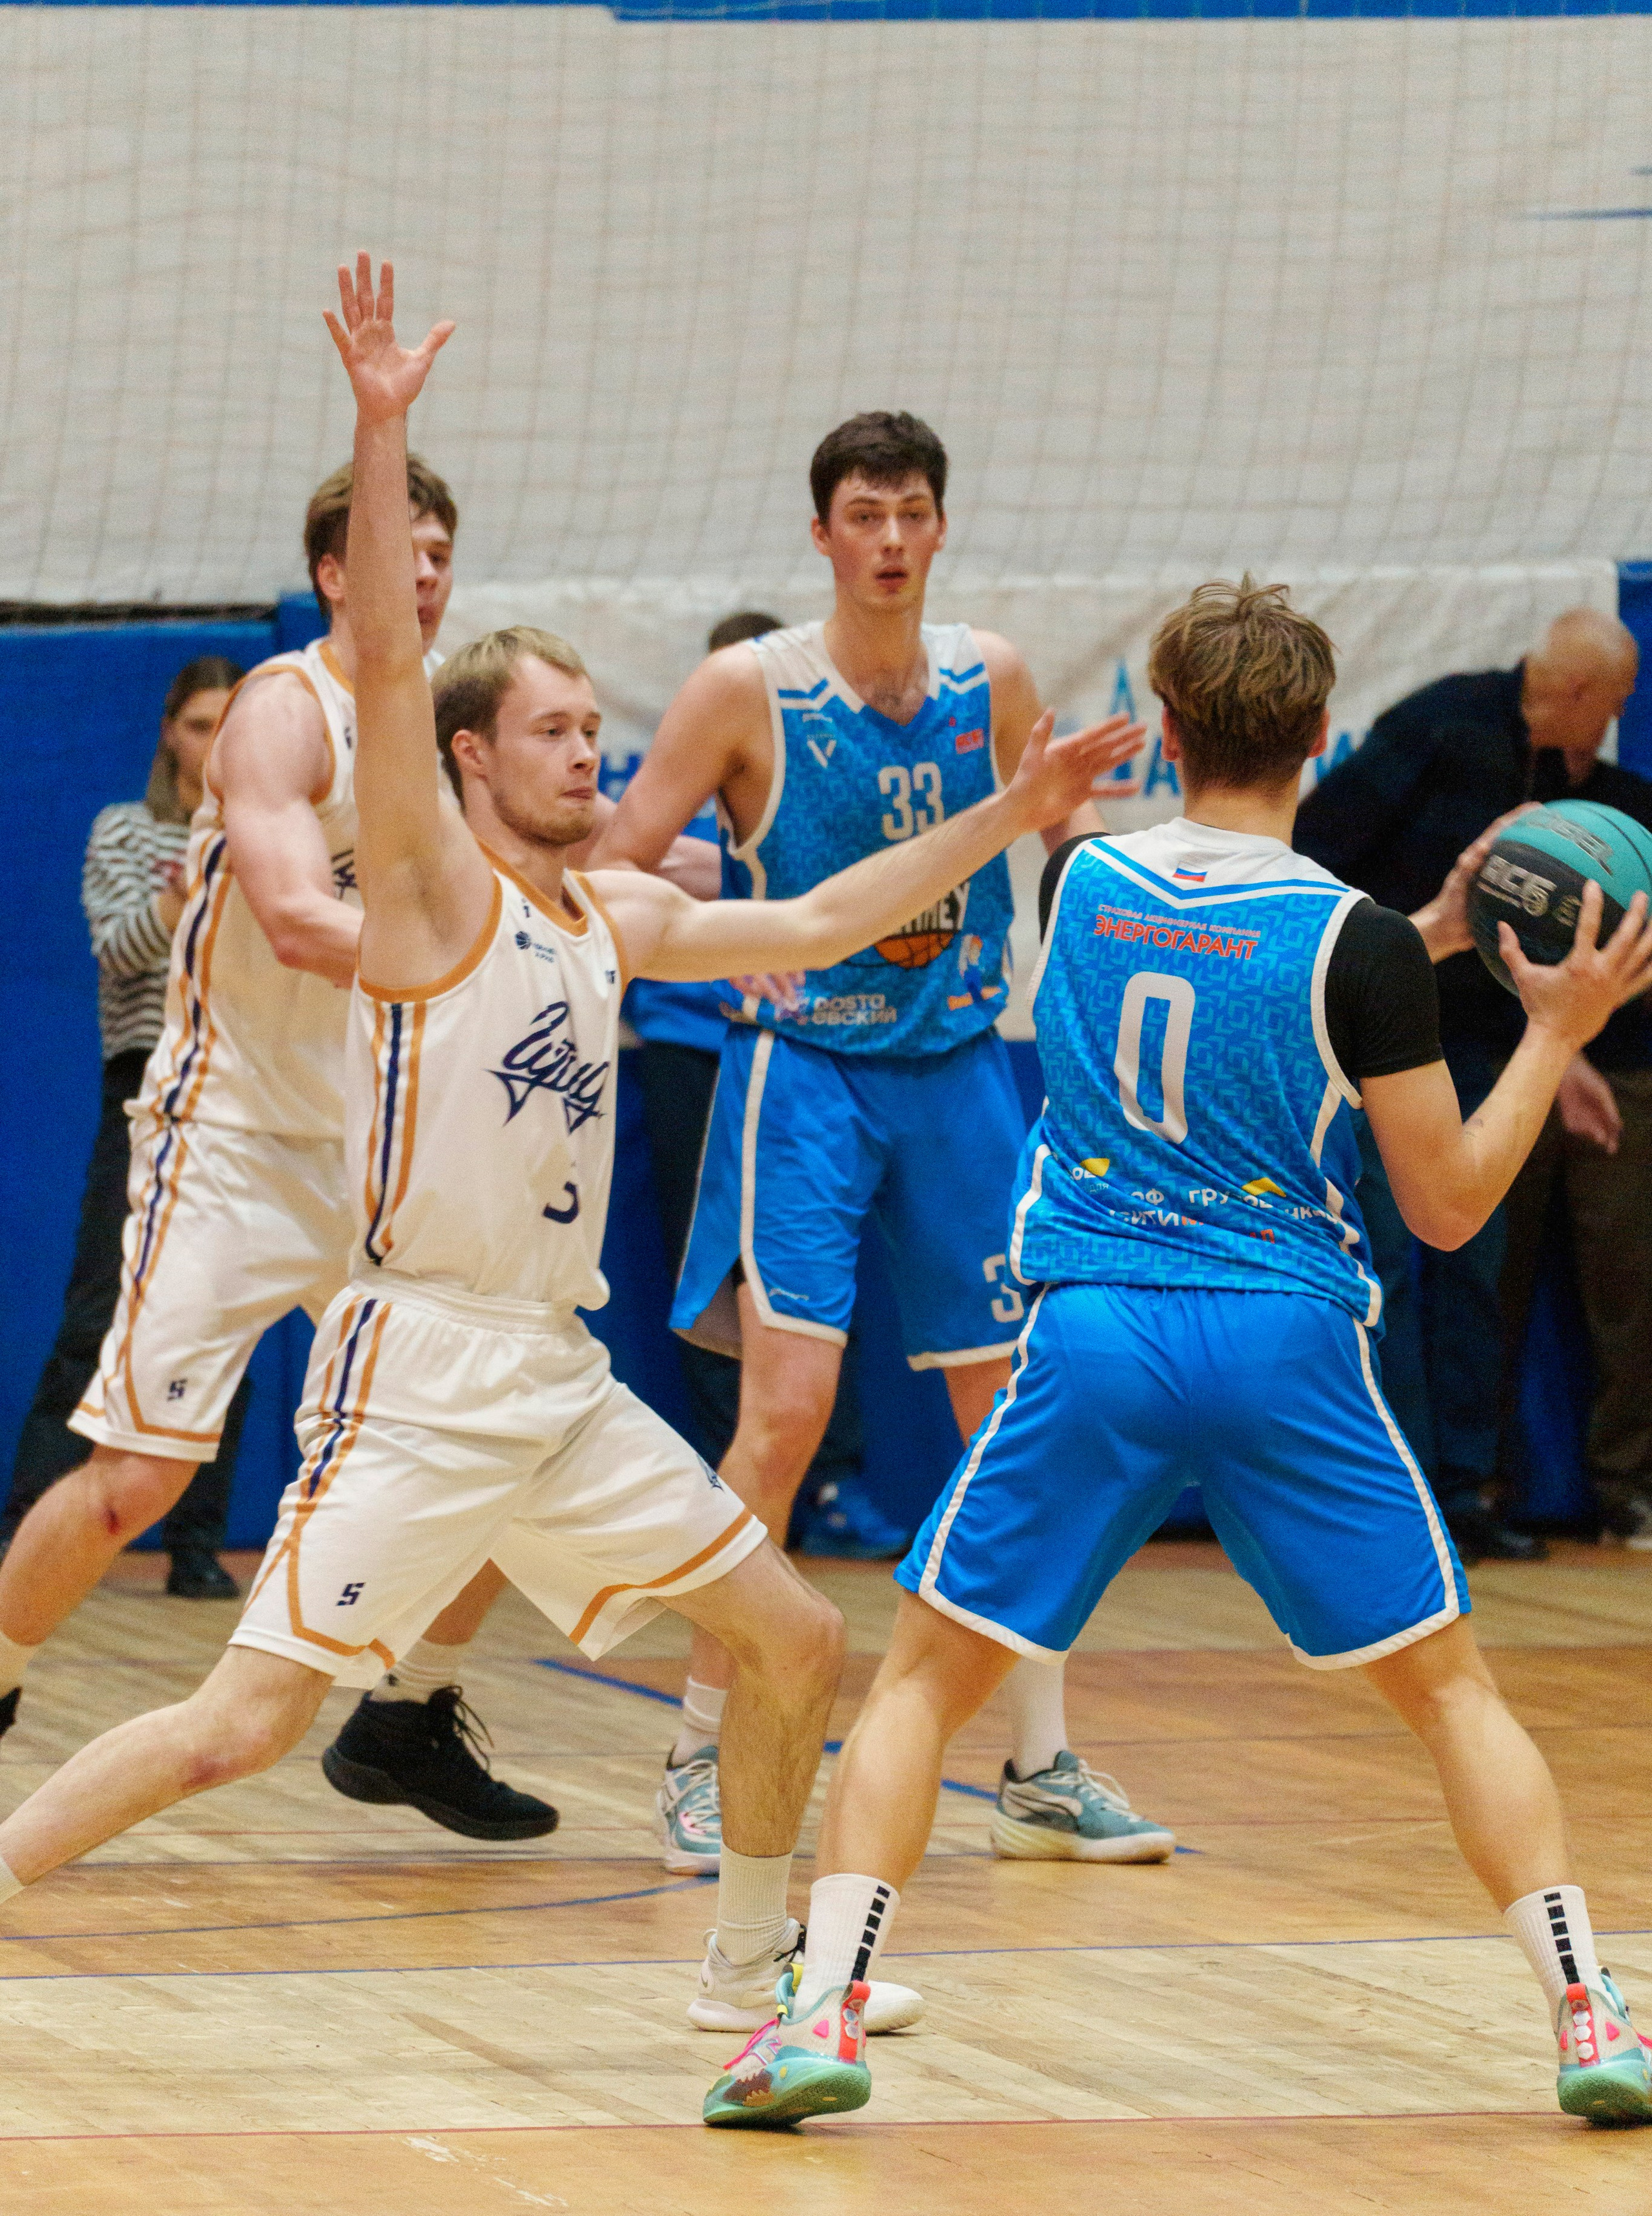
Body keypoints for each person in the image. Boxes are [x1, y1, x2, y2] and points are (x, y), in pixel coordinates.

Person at [0, 255, 1140, 2061]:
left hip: (556, 1371)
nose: (591, 747)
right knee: (239, 1730)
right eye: (554, 728)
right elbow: (379, 650)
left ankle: (749, 1980)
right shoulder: (433, 889)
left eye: (596, 726)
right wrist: (383, 434)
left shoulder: (612, 913)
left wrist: (1013, 813)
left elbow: (835, 913)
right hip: (418, 1372)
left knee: (789, 1644)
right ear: (465, 759)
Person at [705, 578, 1652, 2132]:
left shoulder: (1076, 877)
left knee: (924, 1682)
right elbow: (1446, 1196)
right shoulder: (1358, 948)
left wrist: (1421, 942)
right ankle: (1586, 2010)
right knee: (1452, 1693)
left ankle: (817, 2008)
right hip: (1282, 1340)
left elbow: (1212, 957)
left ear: (1161, 727)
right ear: (1323, 735)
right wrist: (1548, 1028)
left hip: (1094, 1330)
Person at [595, 412, 1171, 1877]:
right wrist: (725, 943)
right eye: (865, 513)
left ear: (936, 524)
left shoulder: (995, 676)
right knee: (782, 1418)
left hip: (961, 1067)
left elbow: (1062, 844)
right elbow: (609, 865)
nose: (892, 537)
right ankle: (696, 1756)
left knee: (1014, 1421)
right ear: (821, 536)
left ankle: (1036, 1759)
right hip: (803, 1076)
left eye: (913, 509)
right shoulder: (747, 687)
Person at [0, 452, 547, 1848]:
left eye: (438, 551)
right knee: (138, 1481)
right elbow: (305, 921)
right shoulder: (283, 713)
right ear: (331, 571)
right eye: (393, 548)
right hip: (231, 1140)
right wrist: (493, 964)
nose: (420, 573)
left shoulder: (442, 733)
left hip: (374, 1148)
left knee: (496, 1434)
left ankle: (403, 1717)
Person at [1293, 609, 1642, 1561]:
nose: (1613, 726)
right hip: (1380, 1042)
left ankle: (1464, 1489)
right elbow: (1317, 850)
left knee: (1474, 1273)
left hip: (1484, 1053)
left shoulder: (1576, 787)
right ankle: (1397, 1488)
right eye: (1611, 705)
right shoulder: (1440, 729)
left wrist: (1559, 1054)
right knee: (1396, 1271)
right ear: (1575, 692)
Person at [624, 607, 907, 1563]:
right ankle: (728, 1484)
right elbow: (634, 863)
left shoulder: (821, 778)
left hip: (810, 1047)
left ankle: (831, 1480)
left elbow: (840, 895)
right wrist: (752, 899)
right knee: (710, 1285)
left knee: (818, 1282)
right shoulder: (670, 794)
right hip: (689, 1051)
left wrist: (751, 896)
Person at [3, 658, 254, 1598]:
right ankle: (24, 1525)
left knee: (229, 1322)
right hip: (146, 1085)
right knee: (98, 1311)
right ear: (169, 733)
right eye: (199, 724)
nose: (216, 741)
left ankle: (196, 1548)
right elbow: (119, 949)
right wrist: (198, 871)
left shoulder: (282, 839)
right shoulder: (126, 831)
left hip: (244, 1090)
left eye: (233, 723)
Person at [1494, 762, 1652, 1545]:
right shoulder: (1478, 761)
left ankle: (1623, 1491)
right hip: (1500, 1061)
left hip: (1625, 1067)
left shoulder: (1633, 807)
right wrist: (1557, 1049)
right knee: (1482, 1272)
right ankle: (1471, 1487)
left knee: (1627, 1283)